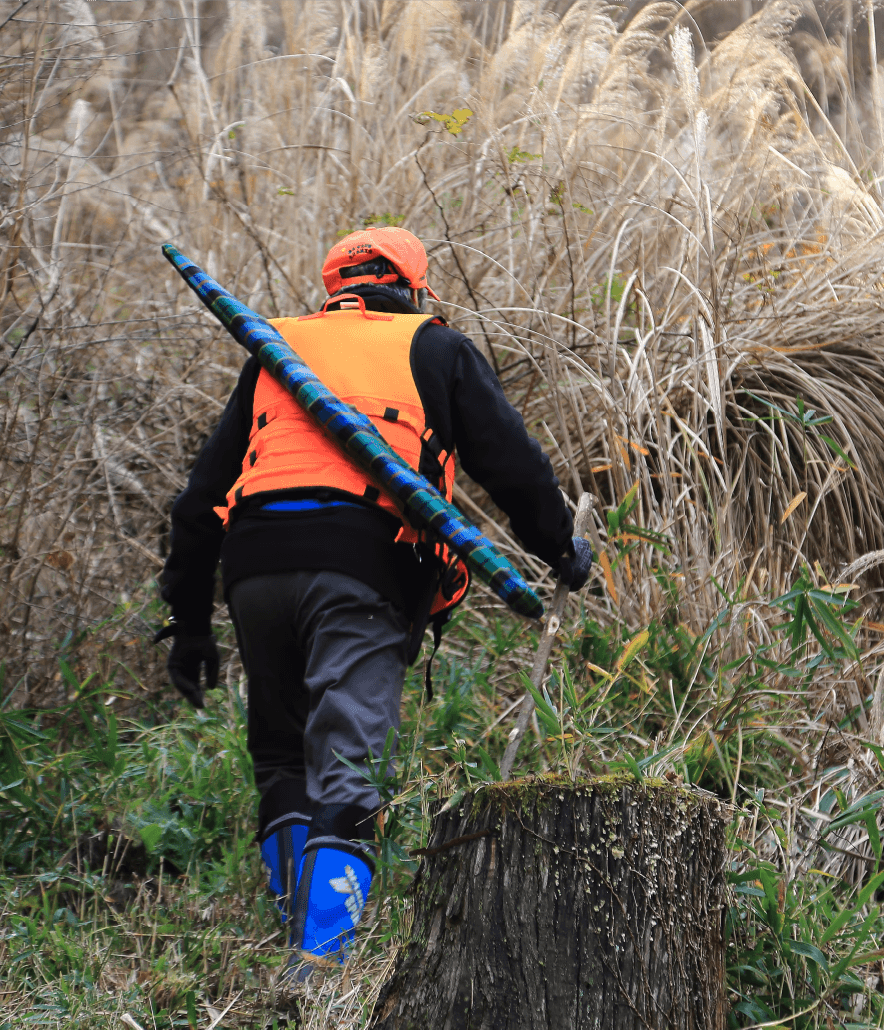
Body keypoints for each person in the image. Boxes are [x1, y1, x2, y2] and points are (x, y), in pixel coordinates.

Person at [155, 226, 593, 977]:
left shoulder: (274, 351)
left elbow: (199, 504)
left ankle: (298, 942)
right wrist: (561, 549)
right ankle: (319, 965)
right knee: (346, 759)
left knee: (281, 757)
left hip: (255, 570)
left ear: (335, 287)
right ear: (415, 287)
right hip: (365, 568)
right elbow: (513, 466)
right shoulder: (434, 346)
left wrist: (191, 624)